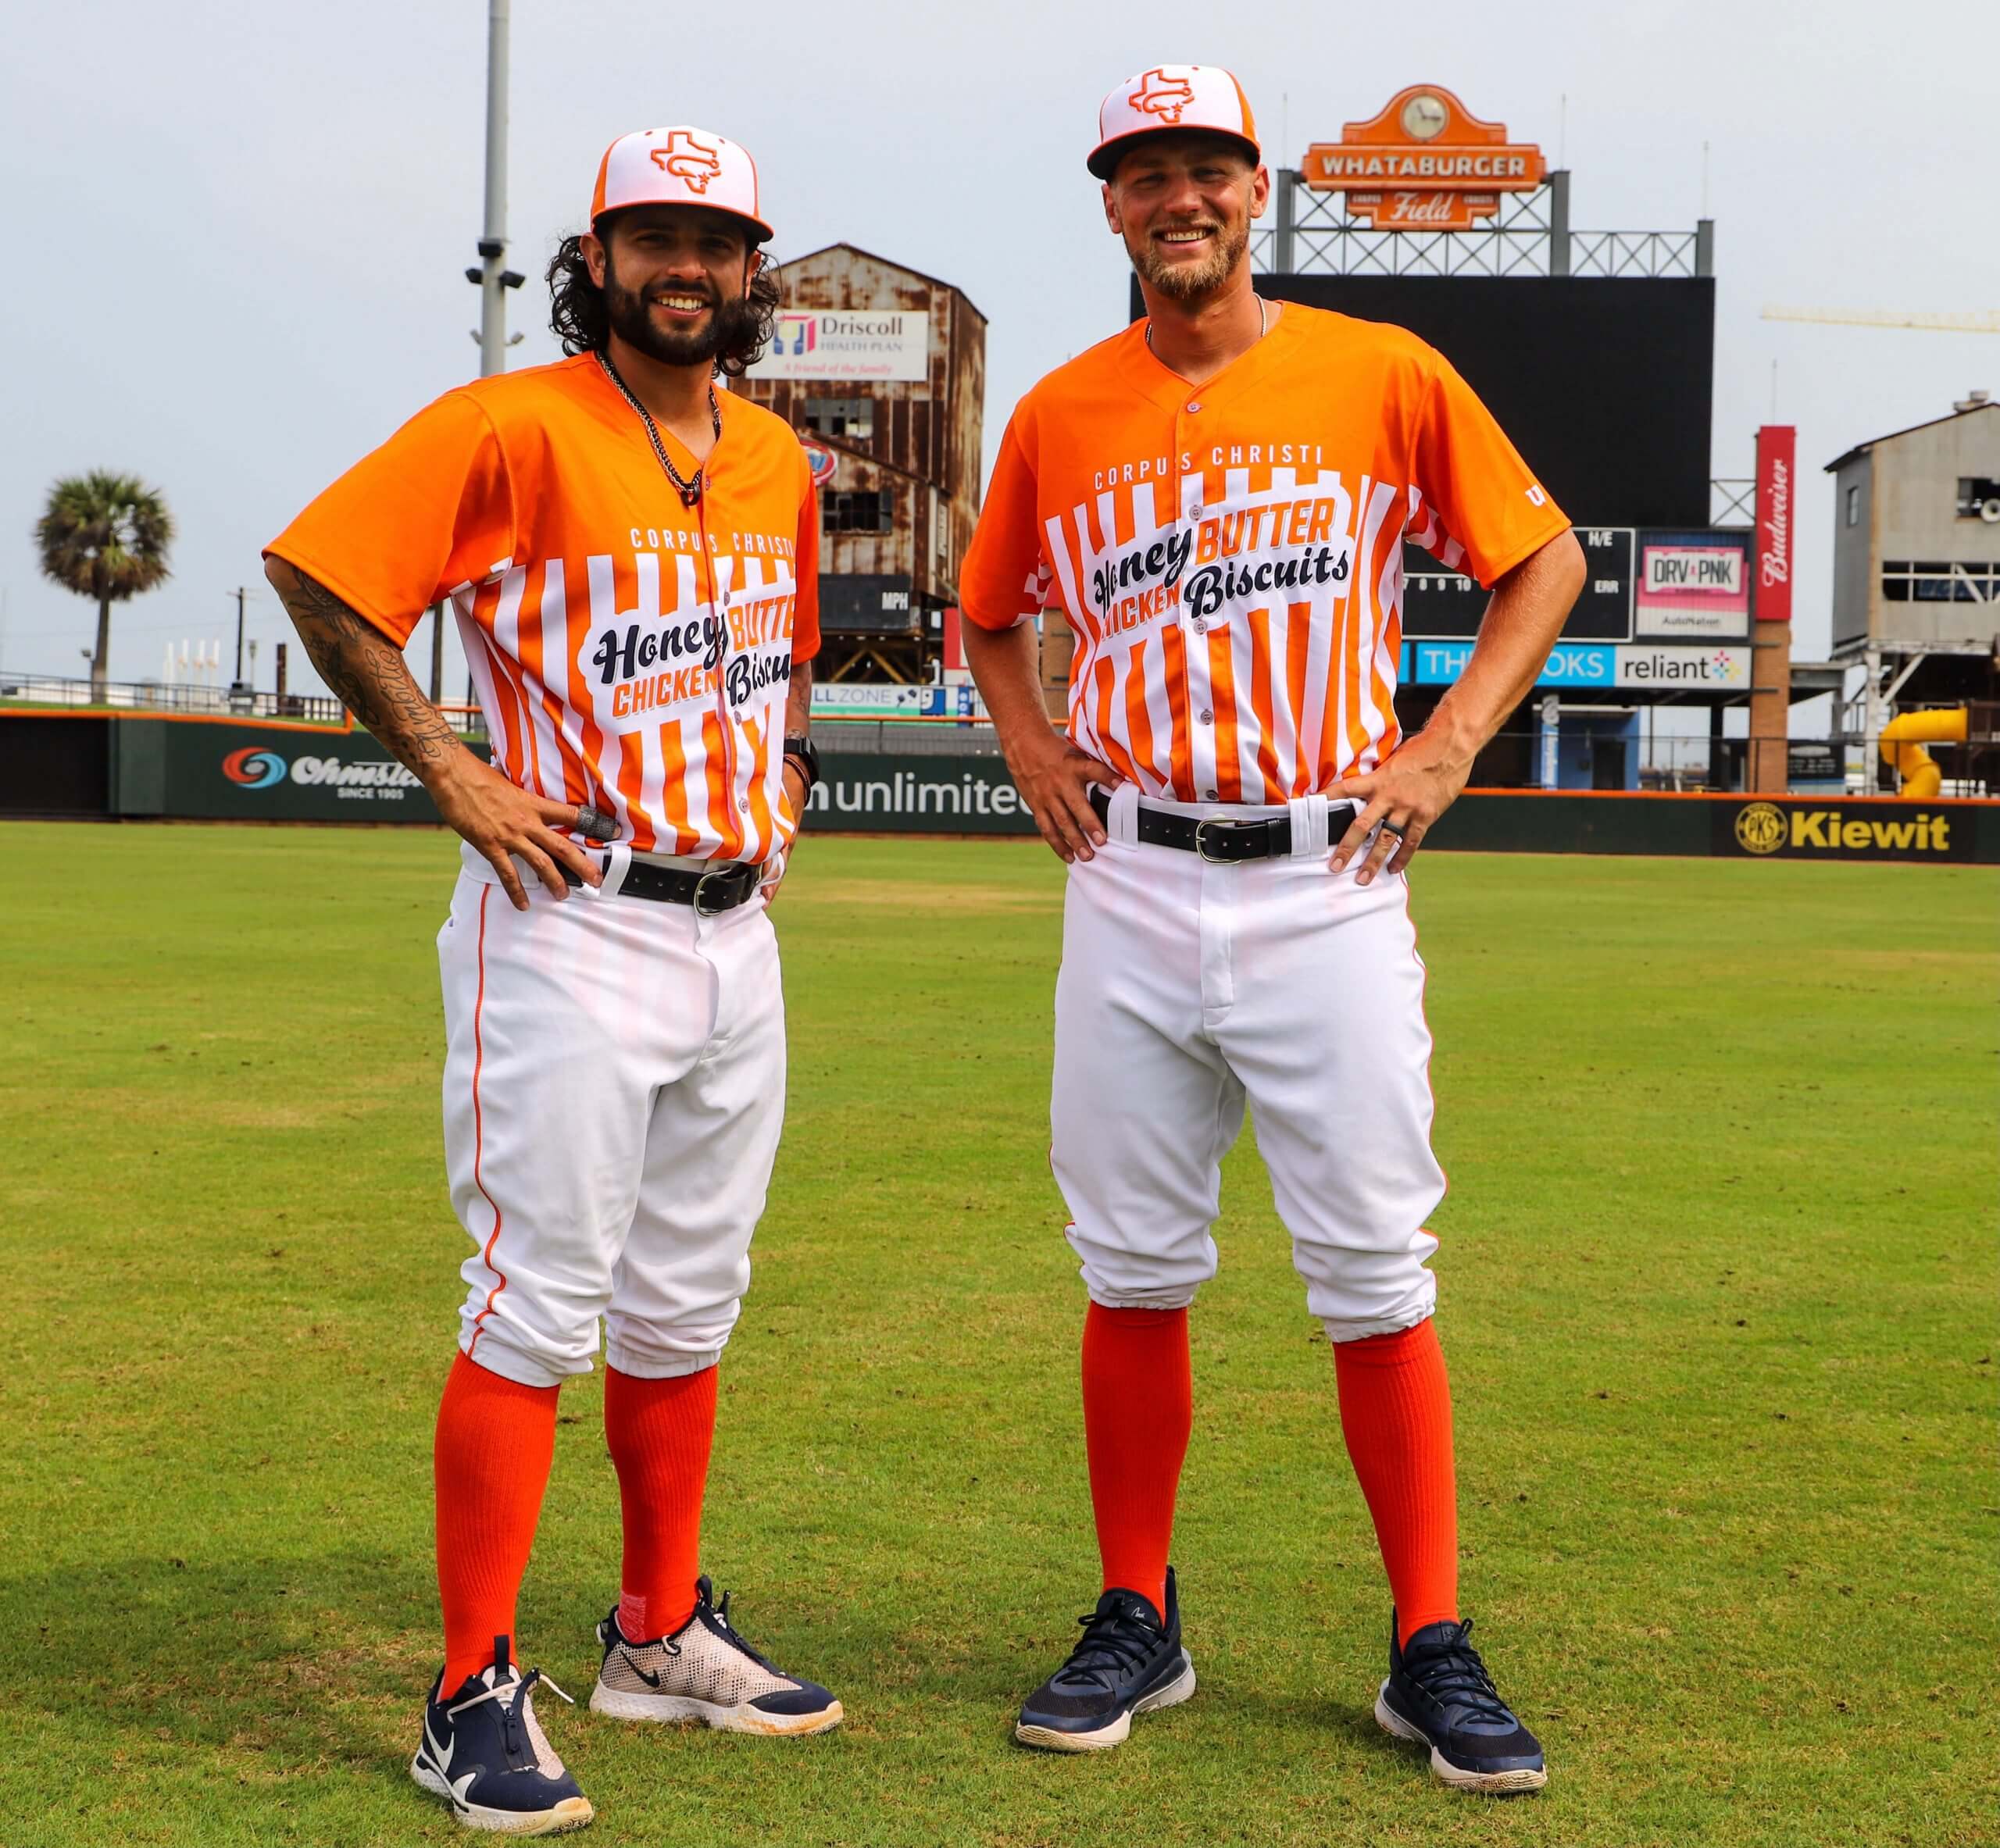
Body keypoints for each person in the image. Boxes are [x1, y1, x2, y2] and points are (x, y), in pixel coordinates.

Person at [955, 65, 1584, 1795]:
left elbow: (1540, 559)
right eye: (1142, 171)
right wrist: (1022, 737)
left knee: (1376, 1270)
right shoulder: (1060, 411)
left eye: (1205, 167)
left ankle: (1427, 1642)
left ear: (1257, 188)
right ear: (1109, 204)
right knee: (1131, 1266)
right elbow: (986, 609)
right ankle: (1133, 1611)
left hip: (1328, 874)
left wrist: (1444, 740)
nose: (1177, 196)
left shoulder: (1381, 371)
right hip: (1135, 874)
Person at [263, 124, 839, 1836]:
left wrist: (788, 776)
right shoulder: (511, 422)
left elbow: (786, 654)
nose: (686, 265)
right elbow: (321, 568)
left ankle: (657, 1629)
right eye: (652, 234)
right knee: (533, 1303)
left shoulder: (777, 463)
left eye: (716, 239)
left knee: (685, 1302)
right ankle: (468, 1689)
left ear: (752, 270)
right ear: (594, 257)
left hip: (735, 928)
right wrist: (451, 769)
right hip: (572, 911)